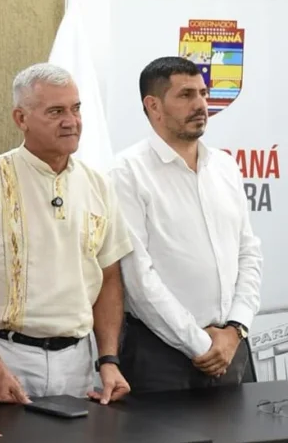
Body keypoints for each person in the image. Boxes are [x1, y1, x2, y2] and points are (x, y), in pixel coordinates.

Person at [0, 63, 133, 404]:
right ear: (21, 118)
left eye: (75, 109)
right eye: (56, 112)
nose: (71, 121)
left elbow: (110, 279)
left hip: (78, 362)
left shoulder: (99, 185)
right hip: (5, 355)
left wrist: (108, 360)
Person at [111, 57, 262, 393]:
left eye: (203, 93)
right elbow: (137, 278)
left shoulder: (225, 166)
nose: (201, 105)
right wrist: (199, 343)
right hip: (160, 355)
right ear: (153, 106)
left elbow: (248, 253)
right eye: (186, 95)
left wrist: (235, 329)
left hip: (232, 348)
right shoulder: (127, 172)